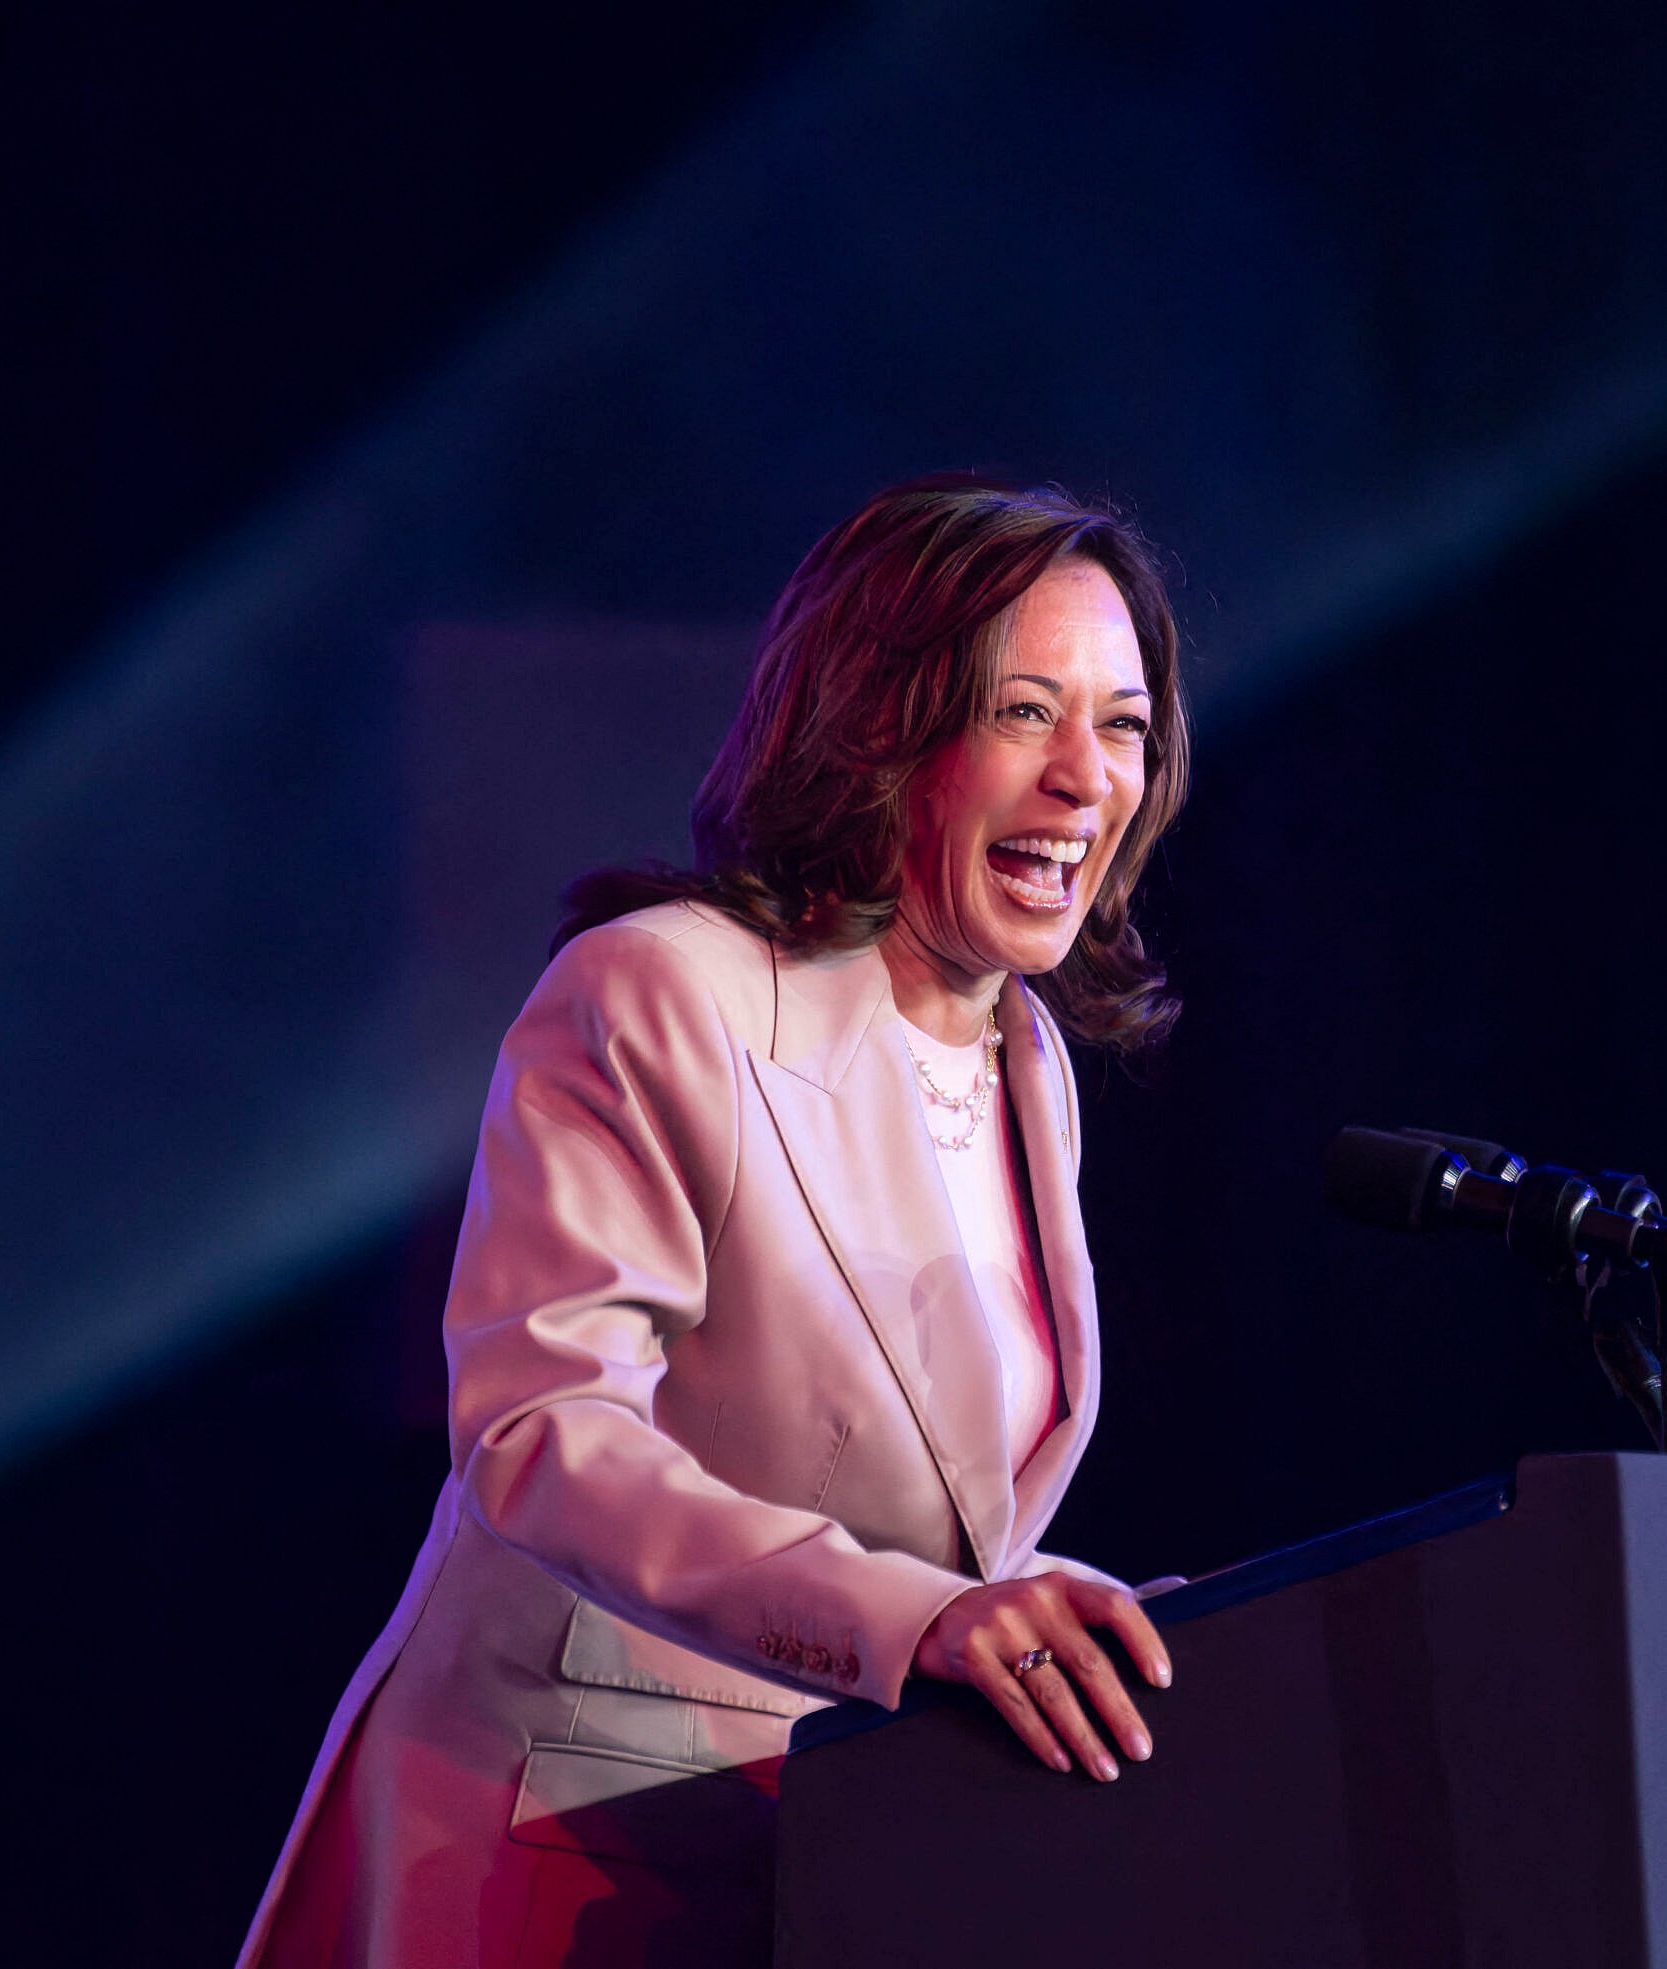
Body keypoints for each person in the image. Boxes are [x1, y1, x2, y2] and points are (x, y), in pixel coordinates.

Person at [238, 474, 1192, 1967]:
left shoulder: (1031, 1061)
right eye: (1025, 711)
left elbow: (917, 1480)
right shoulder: (657, 992)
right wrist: (924, 1619)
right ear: (883, 725)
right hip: (564, 1820)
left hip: (827, 1835)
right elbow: (545, 1436)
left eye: (1124, 723)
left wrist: (1030, 1609)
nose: (1090, 776)